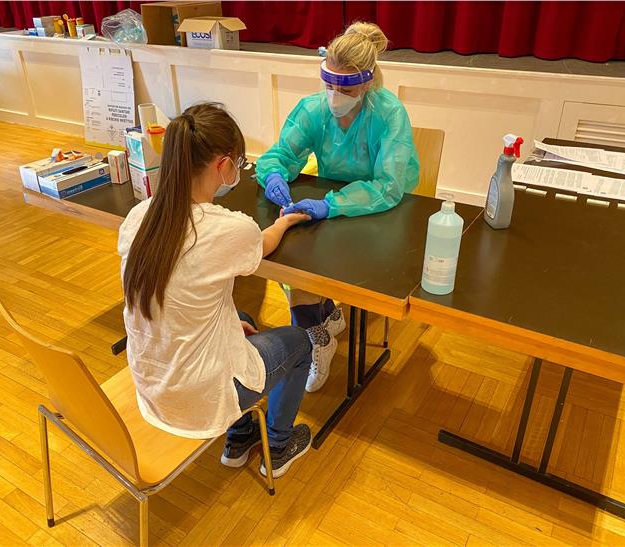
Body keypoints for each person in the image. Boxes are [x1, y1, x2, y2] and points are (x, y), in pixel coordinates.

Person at [118, 103, 314, 478]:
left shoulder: (139, 216)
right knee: (301, 343)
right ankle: (277, 446)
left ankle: (239, 438)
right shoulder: (227, 229)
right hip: (197, 395)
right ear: (223, 165)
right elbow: (263, 243)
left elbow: (177, 299)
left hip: (152, 382)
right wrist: (285, 222)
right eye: (238, 163)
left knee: (241, 317)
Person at [256, 22, 420, 392]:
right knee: (289, 257)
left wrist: (332, 205)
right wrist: (274, 174)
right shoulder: (313, 109)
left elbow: (389, 186)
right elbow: (281, 153)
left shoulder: (388, 114)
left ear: (368, 82)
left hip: (379, 209)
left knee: (318, 262)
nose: (335, 95)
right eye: (329, 84)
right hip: (328, 200)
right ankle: (321, 326)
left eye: (346, 88)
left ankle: (319, 328)